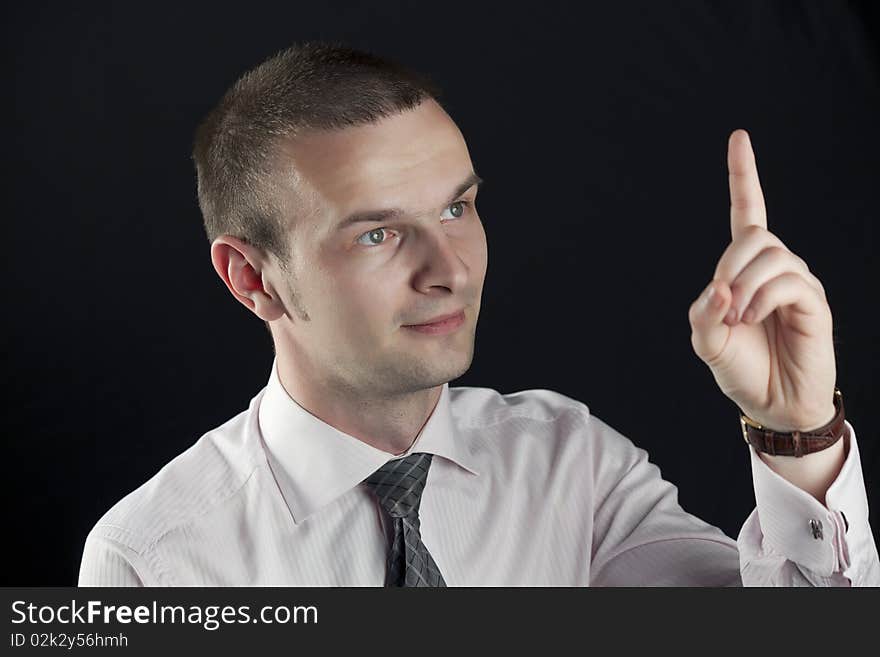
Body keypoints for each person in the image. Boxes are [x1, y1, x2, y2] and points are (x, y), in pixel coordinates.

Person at [79, 41, 878, 586]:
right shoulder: (153, 559)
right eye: (379, 232)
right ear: (252, 278)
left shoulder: (572, 466)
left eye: (458, 209)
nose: (451, 271)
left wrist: (798, 433)